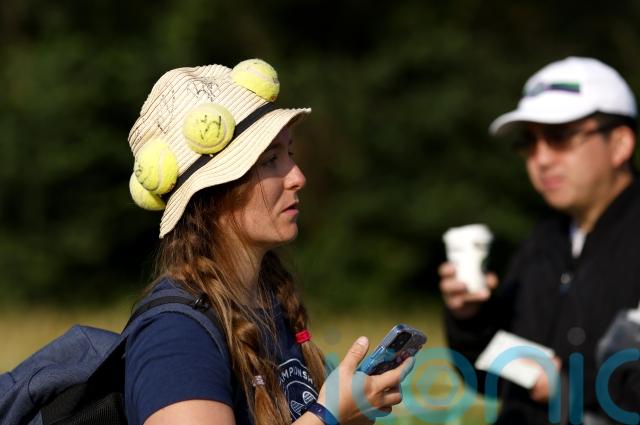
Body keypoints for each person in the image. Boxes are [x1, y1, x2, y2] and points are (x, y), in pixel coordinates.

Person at [124, 59, 412, 425]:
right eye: (270, 160)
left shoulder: (270, 303)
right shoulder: (175, 337)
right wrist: (328, 415)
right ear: (213, 192)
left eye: (290, 154)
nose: (298, 177)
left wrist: (351, 413)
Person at [439, 56, 640, 424]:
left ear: (619, 144)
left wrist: (572, 388)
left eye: (560, 137)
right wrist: (470, 318)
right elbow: (489, 379)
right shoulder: (544, 240)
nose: (541, 158)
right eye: (530, 142)